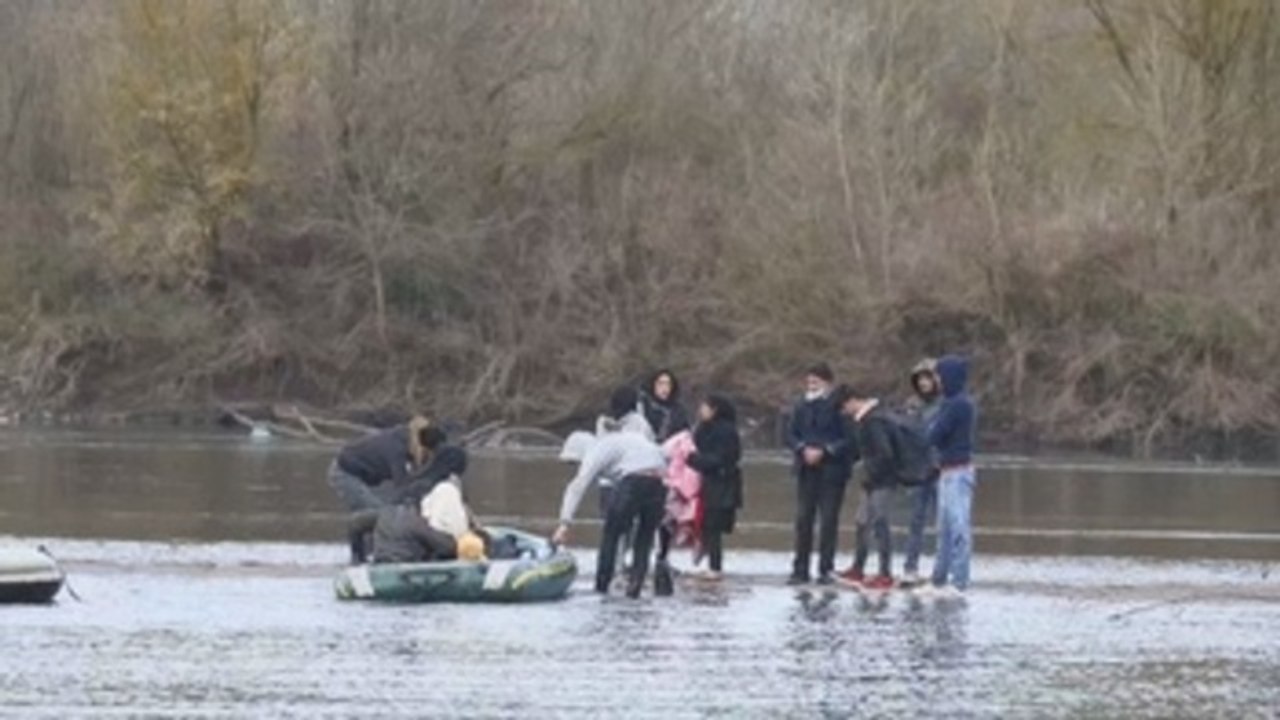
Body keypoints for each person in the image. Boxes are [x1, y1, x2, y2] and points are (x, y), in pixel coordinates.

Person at [553, 386, 668, 598]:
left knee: (611, 534)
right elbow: (660, 455)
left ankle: (601, 587)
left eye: (573, 462)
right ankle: (634, 589)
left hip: (634, 480)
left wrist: (564, 523)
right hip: (659, 479)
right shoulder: (627, 440)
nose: (575, 465)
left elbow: (578, 486)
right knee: (644, 538)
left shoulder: (598, 448)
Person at [786, 363, 855, 585]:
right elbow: (789, 434)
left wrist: (825, 450)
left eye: (816, 381)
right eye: (809, 381)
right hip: (806, 470)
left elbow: (849, 439)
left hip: (832, 471)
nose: (811, 385)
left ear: (827, 383)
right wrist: (801, 449)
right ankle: (800, 568)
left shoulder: (839, 407)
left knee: (828, 521)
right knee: (803, 519)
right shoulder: (800, 406)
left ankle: (826, 568)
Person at [833, 386, 897, 590]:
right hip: (871, 480)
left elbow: (885, 453)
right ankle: (858, 568)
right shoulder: (865, 420)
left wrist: (871, 471)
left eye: (843, 408)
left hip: (882, 481)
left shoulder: (874, 420)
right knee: (862, 522)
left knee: (880, 523)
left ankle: (885, 573)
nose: (844, 413)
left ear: (852, 401)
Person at [924, 355, 978, 595]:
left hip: (958, 474)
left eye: (939, 376)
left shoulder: (958, 405)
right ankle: (939, 579)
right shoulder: (949, 403)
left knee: (958, 529)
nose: (936, 380)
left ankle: (959, 581)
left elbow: (935, 435)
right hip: (946, 473)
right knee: (944, 531)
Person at [685, 394, 743, 580]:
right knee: (705, 523)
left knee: (714, 525)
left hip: (723, 483)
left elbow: (723, 459)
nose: (700, 410)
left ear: (714, 409)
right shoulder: (701, 429)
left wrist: (695, 460)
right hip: (706, 482)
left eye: (704, 407)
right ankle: (711, 561)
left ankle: (715, 567)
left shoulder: (726, 431)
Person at [327, 416, 436, 511]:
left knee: (386, 503)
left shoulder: (407, 444)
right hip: (345, 473)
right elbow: (401, 485)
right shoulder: (396, 449)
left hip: (369, 477)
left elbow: (415, 475)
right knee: (377, 512)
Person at [902, 359, 942, 586]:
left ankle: (941, 567)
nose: (924, 383)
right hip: (919, 469)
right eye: (920, 379)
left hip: (941, 468)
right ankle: (910, 567)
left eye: (928, 378)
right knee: (916, 520)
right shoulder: (912, 405)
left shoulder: (946, 404)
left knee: (943, 522)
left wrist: (939, 460)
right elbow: (908, 436)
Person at [639, 369, 692, 443]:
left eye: (668, 384)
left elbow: (684, 433)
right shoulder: (644, 406)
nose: (664, 388)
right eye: (661, 383)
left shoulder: (678, 410)